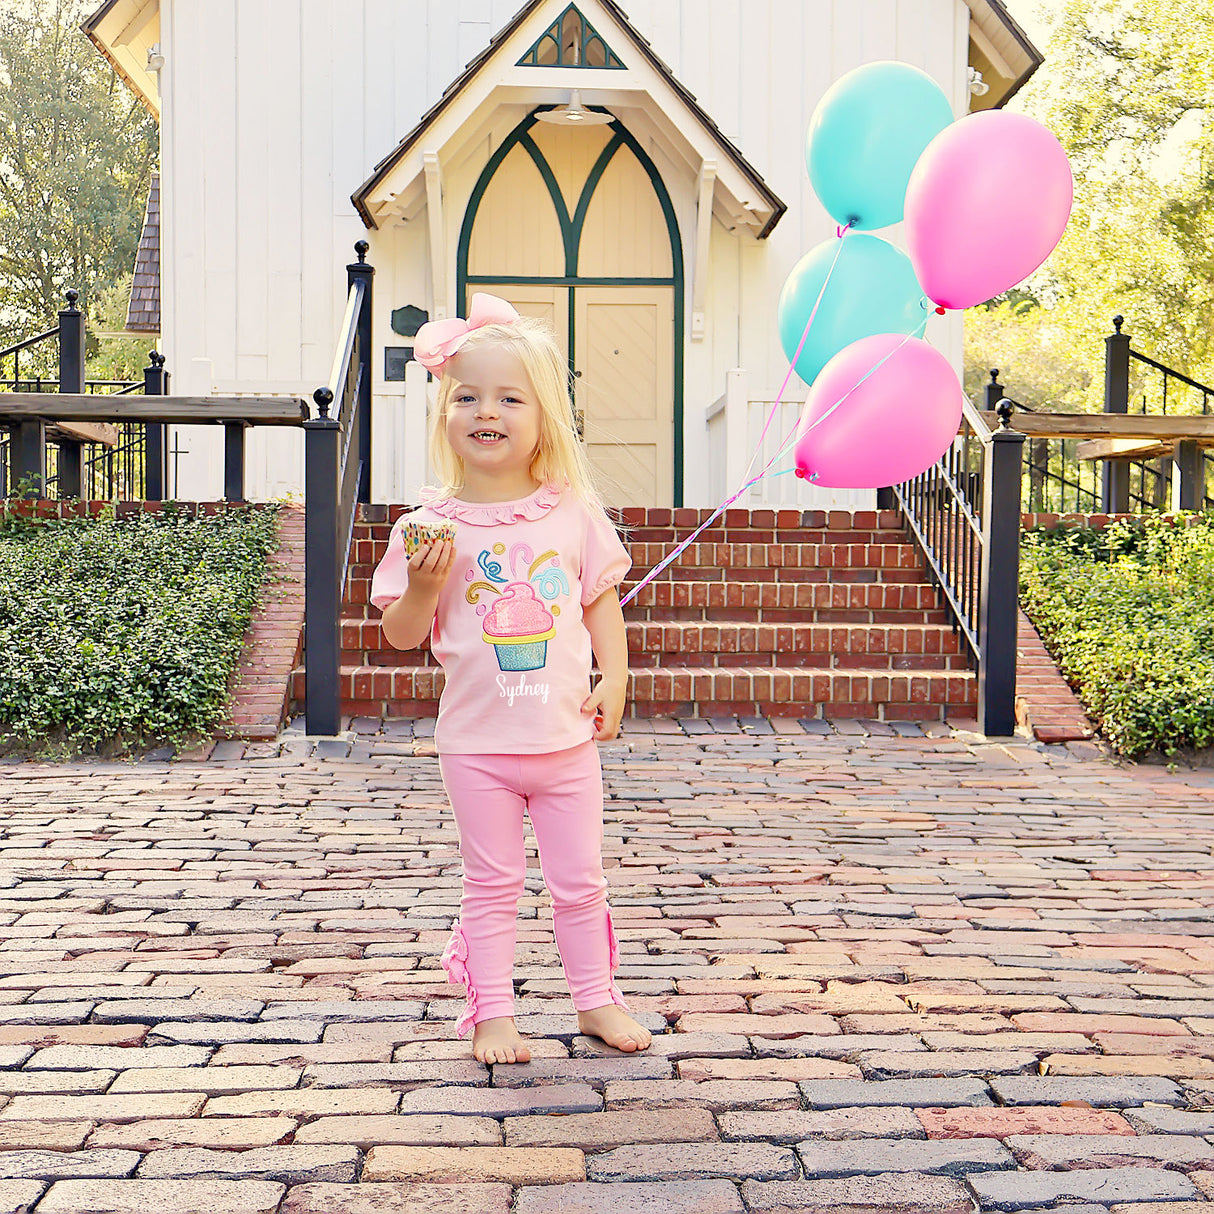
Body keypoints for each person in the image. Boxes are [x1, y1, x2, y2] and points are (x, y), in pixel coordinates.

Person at [369, 294, 653, 1065]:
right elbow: (398, 635)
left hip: (566, 742)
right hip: (477, 747)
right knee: (490, 884)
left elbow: (599, 603)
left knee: (580, 883)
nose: (484, 410)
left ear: (542, 417)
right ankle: (492, 1012)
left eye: (507, 397)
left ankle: (596, 1000)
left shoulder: (572, 512)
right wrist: (426, 587)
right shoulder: (427, 526)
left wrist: (614, 678)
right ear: (443, 414)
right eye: (466, 396)